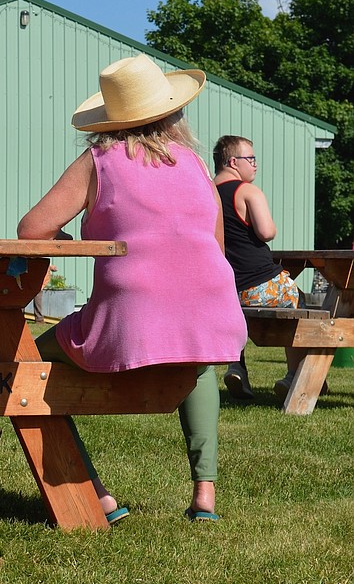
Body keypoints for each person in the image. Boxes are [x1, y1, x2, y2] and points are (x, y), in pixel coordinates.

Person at [17, 53, 247, 523]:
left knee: (29, 367)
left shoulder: (99, 161)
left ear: (108, 119)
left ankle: (97, 493)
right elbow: (216, 248)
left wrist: (77, 243)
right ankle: (205, 495)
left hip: (128, 320)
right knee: (199, 362)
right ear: (173, 113)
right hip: (212, 315)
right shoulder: (198, 166)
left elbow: (31, 229)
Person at [212, 135, 305, 401]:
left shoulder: (206, 192)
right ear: (233, 161)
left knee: (239, 311)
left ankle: (237, 367)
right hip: (259, 284)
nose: (255, 165)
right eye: (250, 159)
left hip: (225, 290)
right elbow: (267, 232)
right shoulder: (248, 191)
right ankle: (294, 377)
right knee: (297, 299)